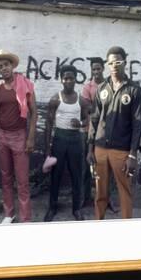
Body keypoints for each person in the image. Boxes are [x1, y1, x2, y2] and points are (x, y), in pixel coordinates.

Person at [86, 46, 141, 219]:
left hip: (122, 151)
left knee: (124, 192)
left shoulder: (134, 90)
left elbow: (138, 123)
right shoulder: (101, 88)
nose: (114, 66)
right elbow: (94, 119)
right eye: (111, 62)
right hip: (100, 149)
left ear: (125, 62)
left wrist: (133, 155)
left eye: (118, 62)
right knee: (100, 192)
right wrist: (90, 149)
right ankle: (99, 222)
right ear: (107, 65)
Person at [0, 49, 37, 223]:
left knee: (22, 180)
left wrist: (30, 138)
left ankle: (25, 218)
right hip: (2, 136)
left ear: (12, 66)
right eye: (0, 67)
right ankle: (9, 214)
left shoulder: (25, 84)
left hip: (19, 137)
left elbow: (34, 112)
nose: (3, 68)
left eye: (6, 65)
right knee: (6, 177)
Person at [44, 65, 90, 222]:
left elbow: (87, 120)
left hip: (76, 140)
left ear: (75, 80)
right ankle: (52, 207)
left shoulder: (81, 100)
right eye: (65, 78)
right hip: (59, 138)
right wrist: (47, 148)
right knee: (55, 175)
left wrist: (81, 123)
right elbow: (49, 124)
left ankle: (76, 208)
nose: (68, 81)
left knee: (76, 175)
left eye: (71, 78)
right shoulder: (55, 99)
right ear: (61, 80)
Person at [80, 57, 105, 209]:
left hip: (105, 132)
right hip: (88, 131)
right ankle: (86, 198)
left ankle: (104, 199)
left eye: (98, 69)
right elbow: (87, 107)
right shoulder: (87, 87)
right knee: (86, 166)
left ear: (103, 68)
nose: (96, 72)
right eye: (93, 69)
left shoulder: (109, 84)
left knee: (103, 166)